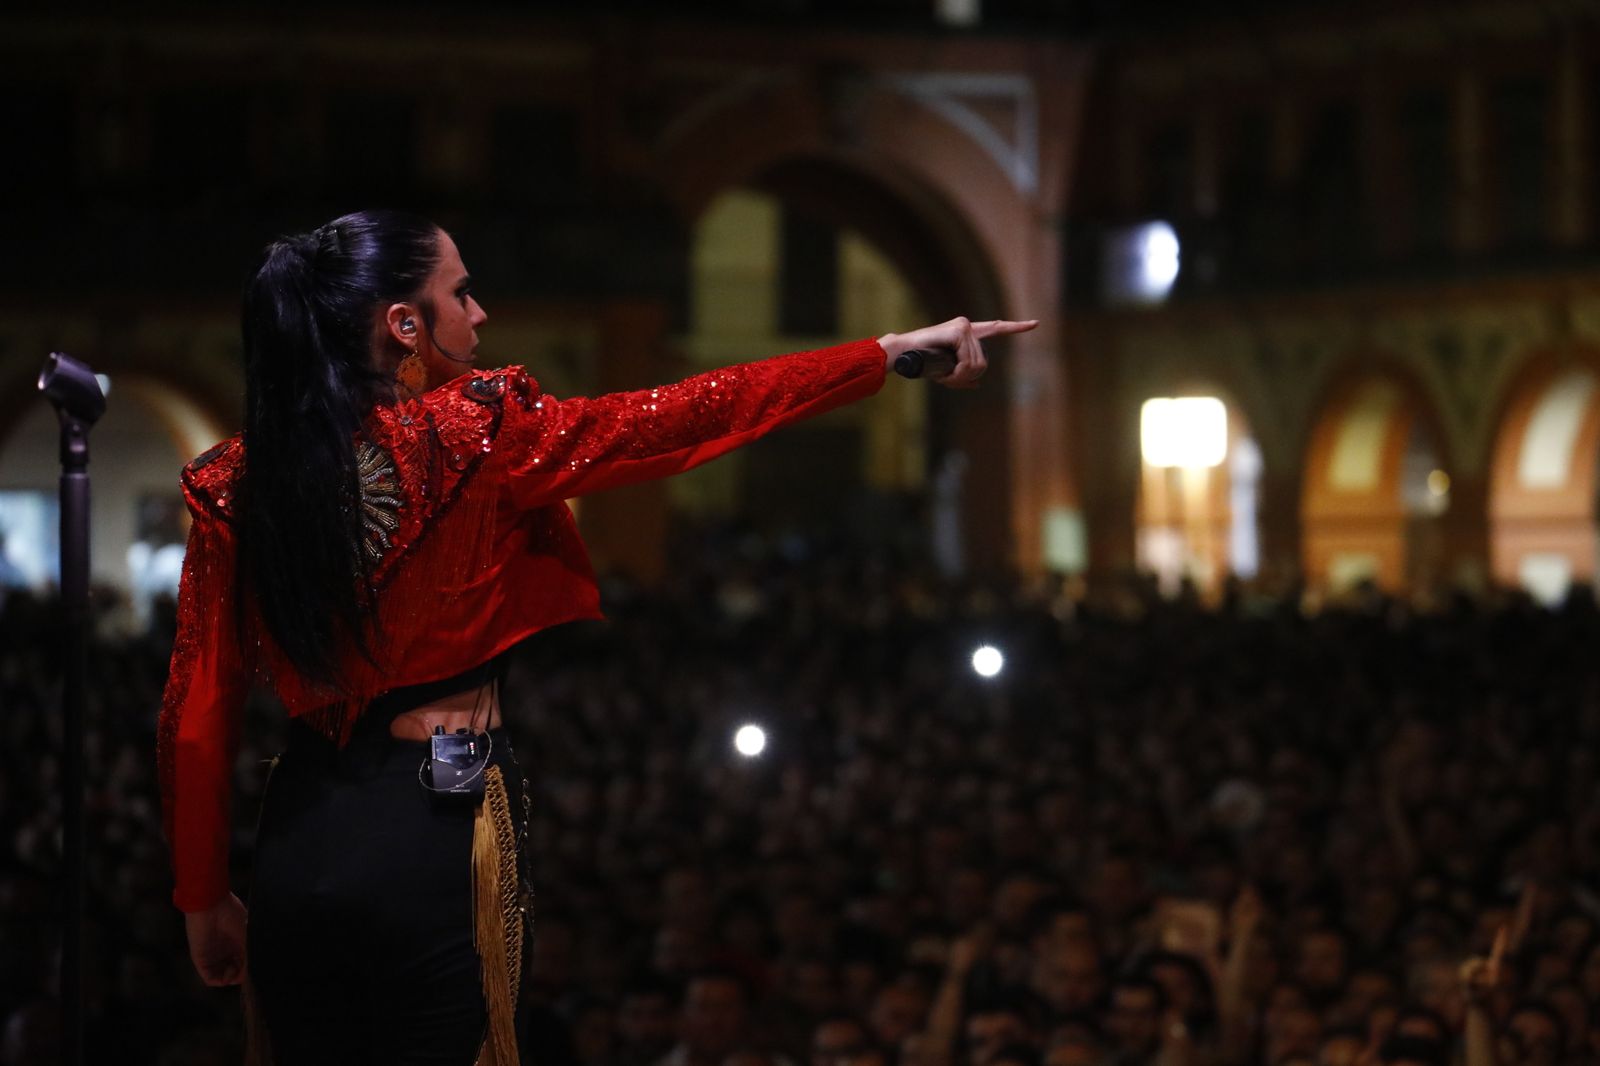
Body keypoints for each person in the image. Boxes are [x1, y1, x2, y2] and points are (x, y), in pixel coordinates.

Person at [155, 207, 1035, 1065]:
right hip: (437, 827)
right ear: (403, 324)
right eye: (459, 292)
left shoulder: (236, 481)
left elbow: (195, 712)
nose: (478, 312)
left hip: (300, 835)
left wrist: (202, 897)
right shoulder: (478, 433)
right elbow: (687, 415)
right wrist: (881, 354)